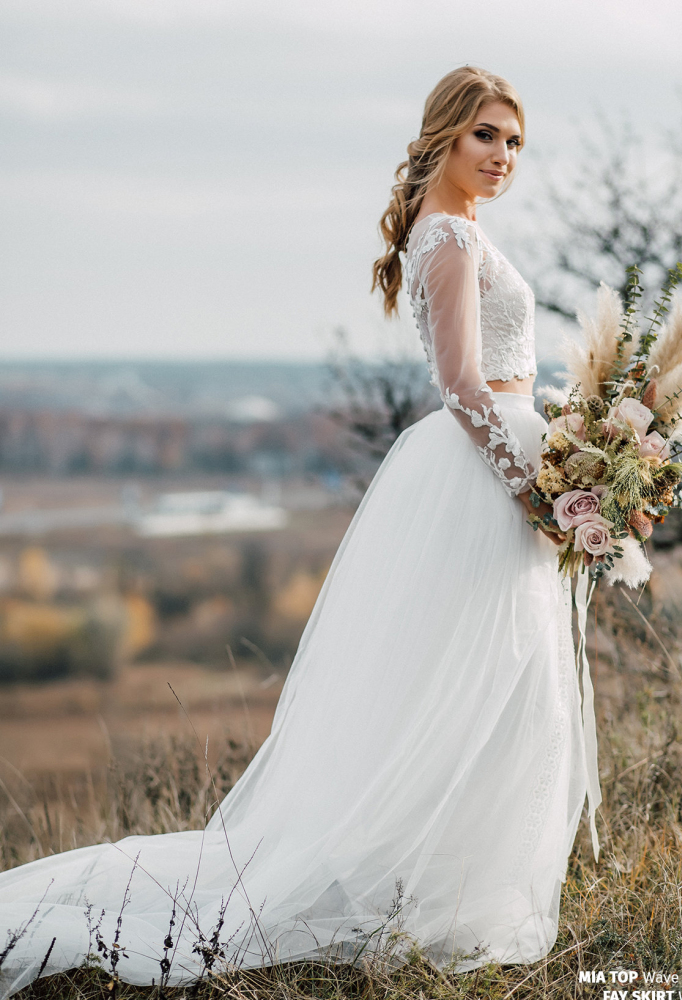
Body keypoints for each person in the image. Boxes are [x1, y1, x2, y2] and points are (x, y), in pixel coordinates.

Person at [0, 66, 587, 997]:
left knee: (504, 683)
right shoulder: (444, 238)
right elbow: (463, 386)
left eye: (515, 141)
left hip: (502, 472)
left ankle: (463, 892)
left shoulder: (467, 232)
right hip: (483, 477)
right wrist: (537, 493)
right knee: (476, 682)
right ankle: (438, 897)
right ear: (443, 135)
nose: (504, 156)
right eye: (487, 135)